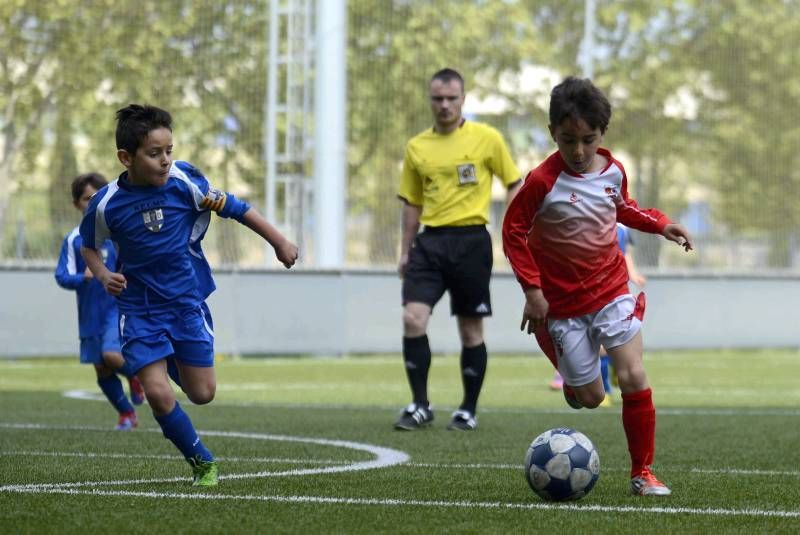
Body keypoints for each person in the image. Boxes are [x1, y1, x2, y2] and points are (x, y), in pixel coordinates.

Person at [79, 104, 298, 487]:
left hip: (185, 303)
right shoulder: (106, 203)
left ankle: (172, 358)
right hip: (139, 310)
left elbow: (238, 209)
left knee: (202, 393)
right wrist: (101, 274)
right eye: (154, 153)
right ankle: (202, 462)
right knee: (159, 394)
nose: (165, 161)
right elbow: (88, 245)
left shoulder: (186, 181)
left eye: (169, 151)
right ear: (126, 158)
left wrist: (279, 242)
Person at [502, 76, 693, 496]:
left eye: (588, 139)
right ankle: (556, 349)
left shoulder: (612, 171)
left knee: (633, 374)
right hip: (562, 304)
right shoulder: (540, 183)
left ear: (602, 133)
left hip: (610, 290)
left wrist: (661, 224)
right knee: (588, 397)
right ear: (553, 133)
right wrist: (533, 292)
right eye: (568, 140)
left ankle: (642, 473)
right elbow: (513, 232)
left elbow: (624, 208)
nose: (579, 151)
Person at [395, 68, 522, 431]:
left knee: (470, 331)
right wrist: (405, 250)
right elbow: (412, 202)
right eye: (438, 99)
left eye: (452, 98)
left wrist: (508, 228)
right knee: (412, 319)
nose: (445, 105)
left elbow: (515, 183)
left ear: (463, 99)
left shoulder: (487, 138)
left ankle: (467, 409)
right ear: (430, 100)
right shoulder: (417, 147)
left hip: (472, 242)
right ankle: (420, 404)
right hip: (430, 243)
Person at [55, 172, 145, 430]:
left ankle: (136, 375)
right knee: (101, 368)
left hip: (117, 308)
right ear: (76, 204)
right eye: (85, 199)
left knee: (111, 354)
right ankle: (127, 414)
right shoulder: (74, 240)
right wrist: (81, 277)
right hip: (89, 313)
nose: (91, 202)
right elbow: (61, 276)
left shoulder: (116, 234)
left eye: (95, 196)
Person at [548, 222, 645, 403]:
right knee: (597, 346)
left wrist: (632, 273)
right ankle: (599, 374)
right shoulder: (580, 217)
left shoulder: (622, 227)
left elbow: (626, 253)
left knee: (607, 348)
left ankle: (606, 387)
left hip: (615, 293)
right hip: (585, 293)